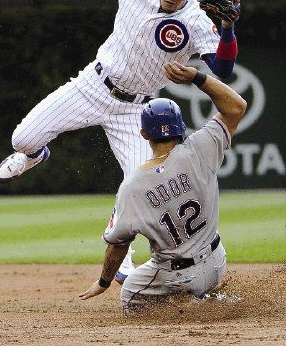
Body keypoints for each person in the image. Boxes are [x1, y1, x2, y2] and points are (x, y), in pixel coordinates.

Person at [0, 0, 240, 282]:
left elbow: (224, 69)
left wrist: (227, 28)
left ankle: (124, 257)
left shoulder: (195, 21)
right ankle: (35, 154)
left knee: (140, 182)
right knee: (20, 140)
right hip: (92, 86)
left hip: (133, 110)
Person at [79, 64, 246, 314]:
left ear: (144, 134)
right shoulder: (202, 148)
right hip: (216, 263)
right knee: (198, 271)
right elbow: (237, 106)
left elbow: (118, 245)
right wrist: (197, 77)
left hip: (176, 276)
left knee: (130, 295)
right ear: (180, 126)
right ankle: (211, 299)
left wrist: (103, 282)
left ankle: (191, 306)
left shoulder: (133, 185)